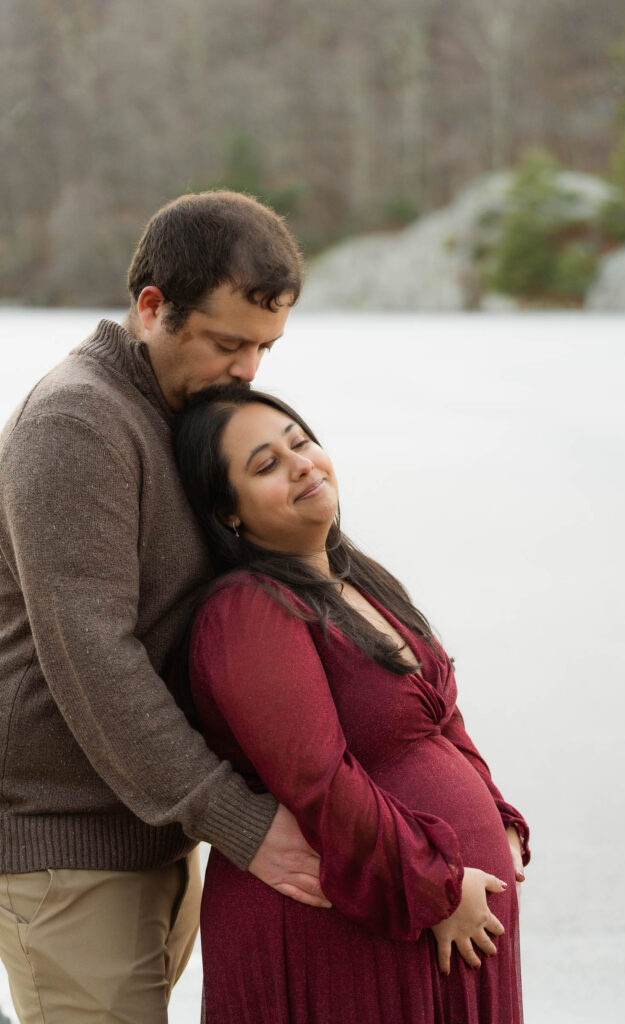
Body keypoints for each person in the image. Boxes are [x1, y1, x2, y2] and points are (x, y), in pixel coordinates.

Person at [0, 191, 329, 1024]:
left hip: (155, 825)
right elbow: (92, 654)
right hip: (71, 846)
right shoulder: (79, 419)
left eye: (265, 346)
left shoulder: (177, 414)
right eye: (228, 343)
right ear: (152, 308)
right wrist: (236, 819)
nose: (250, 369)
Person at [174, 383, 531, 1024]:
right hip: (354, 926)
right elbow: (316, 779)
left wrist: (496, 813)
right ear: (229, 512)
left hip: (435, 916)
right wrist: (436, 890)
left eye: (301, 443)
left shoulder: (354, 576)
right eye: (267, 465)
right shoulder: (250, 609)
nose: (302, 464)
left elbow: (440, 714)